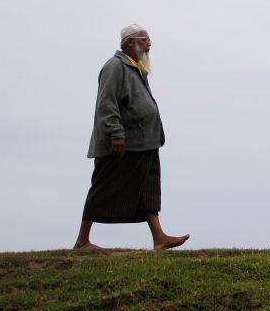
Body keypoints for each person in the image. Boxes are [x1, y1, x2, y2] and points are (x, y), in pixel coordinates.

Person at [74, 24, 189, 250]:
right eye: (145, 41)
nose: (148, 46)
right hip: (122, 143)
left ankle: (159, 238)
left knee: (148, 189)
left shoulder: (135, 68)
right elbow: (107, 105)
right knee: (103, 186)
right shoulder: (115, 67)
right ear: (130, 43)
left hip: (144, 142)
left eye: (149, 42)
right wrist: (116, 134)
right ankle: (82, 240)